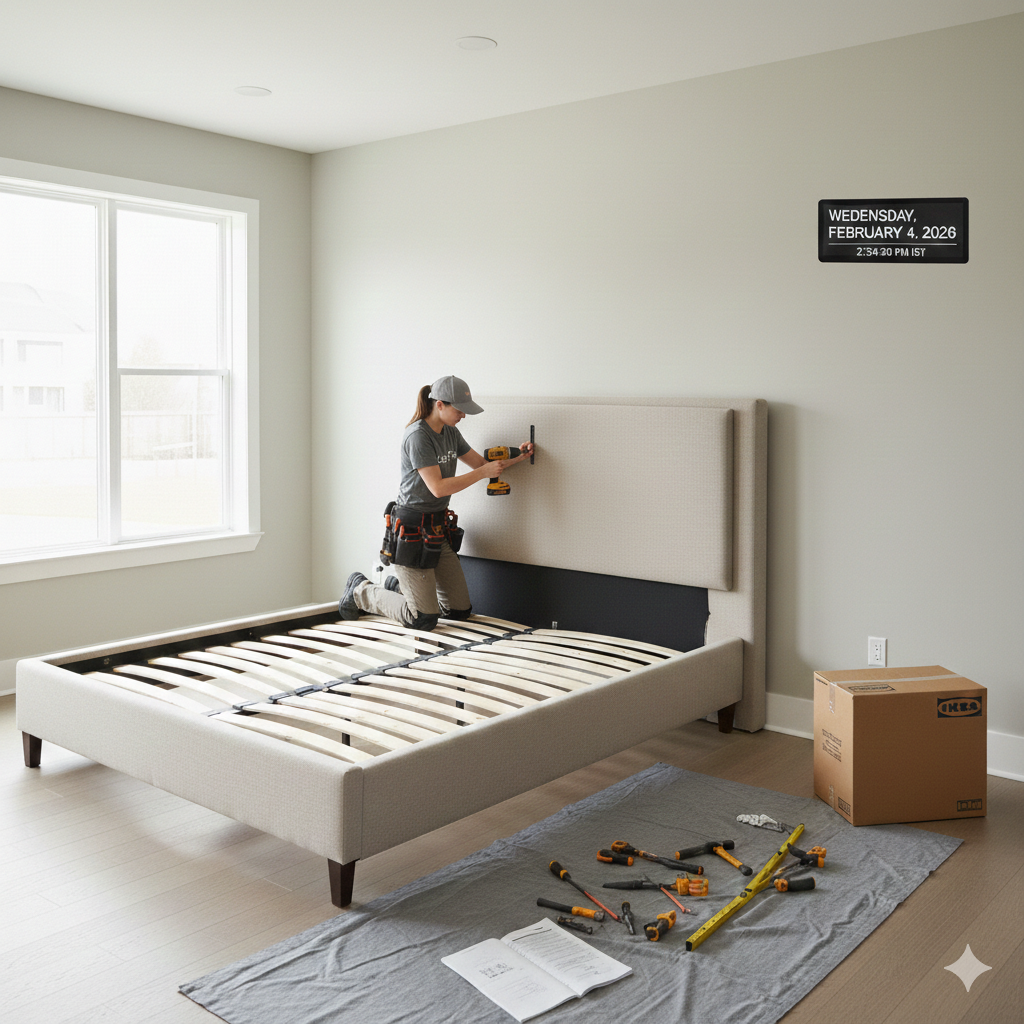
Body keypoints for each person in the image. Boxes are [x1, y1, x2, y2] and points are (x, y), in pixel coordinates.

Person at [338, 375, 534, 631]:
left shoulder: (451, 433)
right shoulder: (417, 436)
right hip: (410, 531)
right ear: (439, 404)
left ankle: (399, 588)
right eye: (459, 410)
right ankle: (360, 590)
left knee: (459, 611)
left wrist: (521, 456)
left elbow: (482, 466)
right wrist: (483, 474)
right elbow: (438, 487)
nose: (463, 416)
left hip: (437, 530)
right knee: (422, 619)